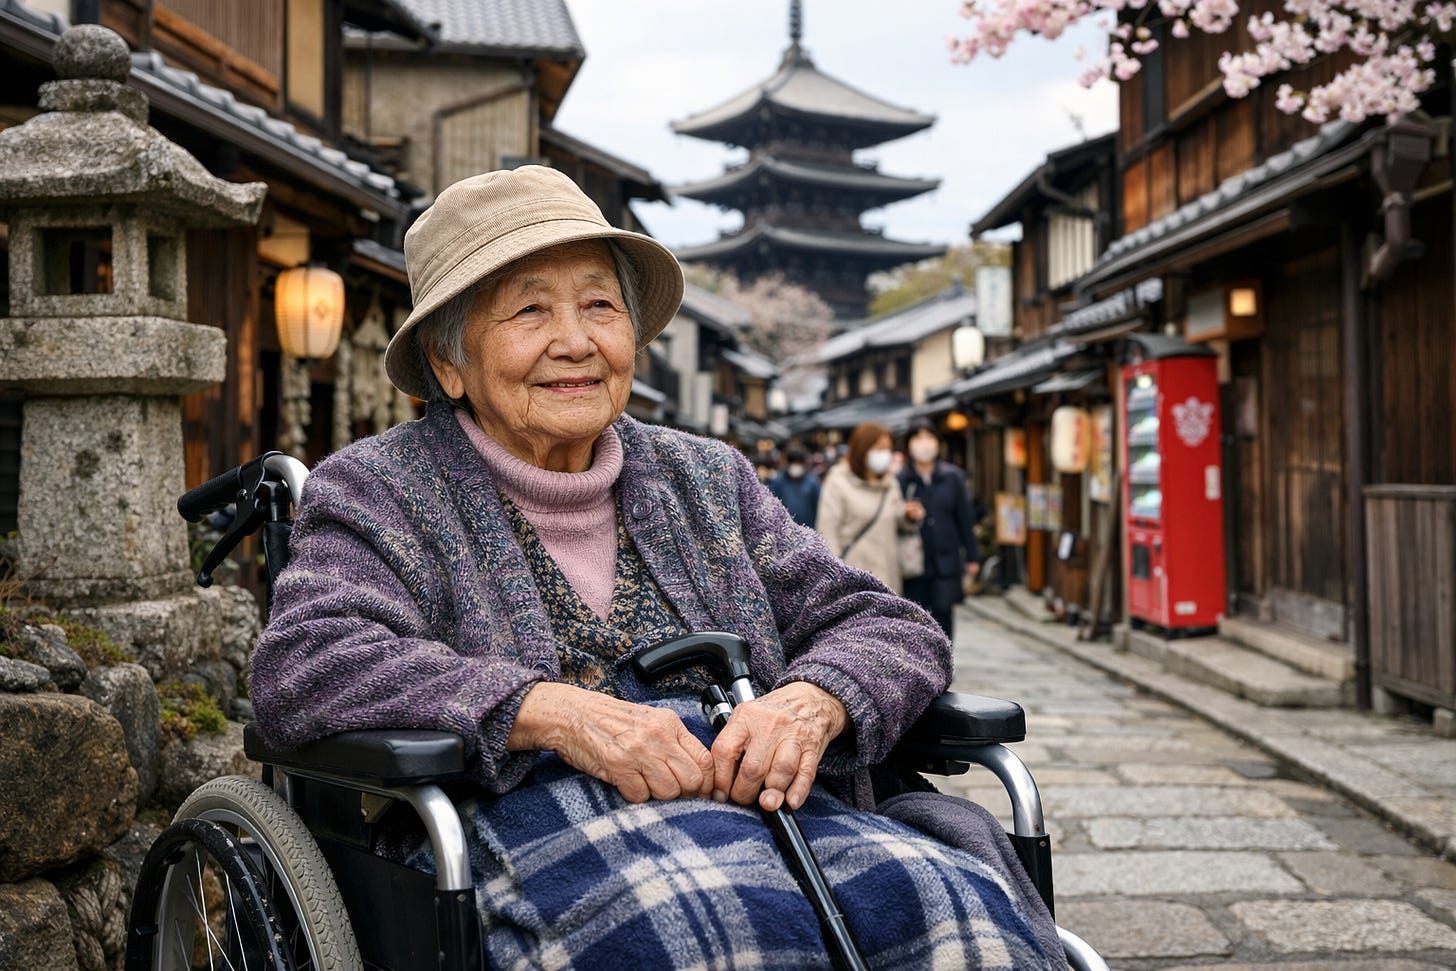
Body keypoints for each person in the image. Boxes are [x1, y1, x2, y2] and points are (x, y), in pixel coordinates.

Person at [250, 166, 1064, 969]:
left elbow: (885, 623)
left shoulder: (705, 477)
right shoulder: (378, 489)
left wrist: (813, 704)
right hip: (537, 831)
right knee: (711, 939)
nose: (575, 341)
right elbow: (306, 663)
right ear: (449, 361)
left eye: (600, 305)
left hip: (777, 816)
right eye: (529, 309)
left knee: (960, 916)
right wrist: (551, 711)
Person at [815, 421, 924, 594]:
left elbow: (896, 520)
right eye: (879, 448)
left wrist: (907, 516)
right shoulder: (838, 482)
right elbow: (827, 533)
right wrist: (837, 580)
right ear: (862, 449)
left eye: (888, 449)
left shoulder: (890, 484)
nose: (884, 454)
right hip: (854, 582)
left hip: (889, 577)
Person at [897, 419, 982, 637]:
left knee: (944, 614)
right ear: (908, 444)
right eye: (918, 438)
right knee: (916, 619)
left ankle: (944, 667)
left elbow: (964, 518)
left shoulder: (952, 477)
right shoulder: (901, 479)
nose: (924, 444)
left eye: (929, 438)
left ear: (937, 442)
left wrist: (972, 556)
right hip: (914, 561)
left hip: (946, 558)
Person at [767, 442, 820, 528]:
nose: (795, 466)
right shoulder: (778, 482)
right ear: (787, 463)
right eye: (793, 463)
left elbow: (818, 507)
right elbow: (772, 506)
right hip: (784, 532)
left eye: (798, 463)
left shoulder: (812, 482)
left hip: (809, 531)